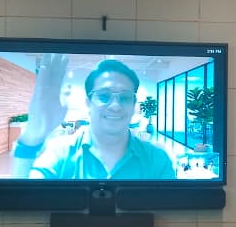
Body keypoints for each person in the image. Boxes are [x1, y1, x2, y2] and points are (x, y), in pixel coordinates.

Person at [12, 54, 176, 179]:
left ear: (134, 105)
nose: (115, 106)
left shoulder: (157, 160)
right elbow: (22, 201)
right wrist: (31, 138)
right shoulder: (60, 154)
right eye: (104, 96)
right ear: (88, 103)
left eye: (125, 97)